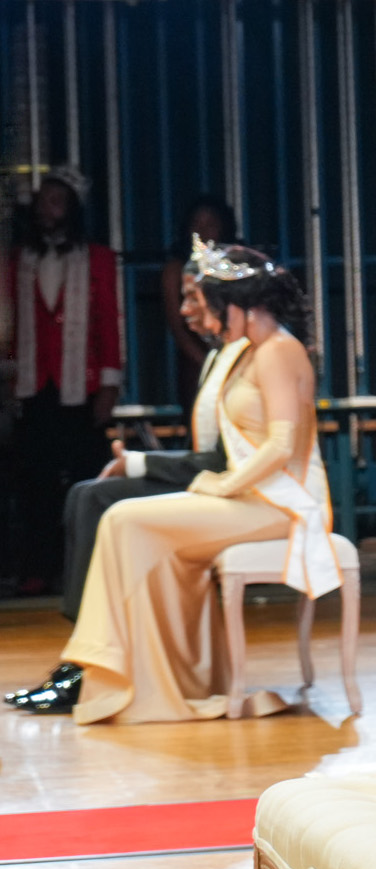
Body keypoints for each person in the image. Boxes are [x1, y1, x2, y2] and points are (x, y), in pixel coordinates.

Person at [13, 239, 340, 722]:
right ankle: (143, 672)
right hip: (253, 494)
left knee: (124, 518)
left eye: (210, 304)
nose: (204, 315)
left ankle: (107, 670)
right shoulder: (251, 351)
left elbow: (281, 447)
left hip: (283, 502)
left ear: (239, 304)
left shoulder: (277, 351)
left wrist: (224, 485)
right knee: (125, 522)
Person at [5, 256, 241, 709]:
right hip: (207, 476)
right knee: (83, 494)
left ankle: (84, 662)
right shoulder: (217, 355)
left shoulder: (245, 357)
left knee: (97, 499)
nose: (184, 309)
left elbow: (223, 460)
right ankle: (84, 651)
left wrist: (135, 463)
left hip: (226, 489)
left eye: (192, 298)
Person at [4, 167, 121, 596]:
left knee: (85, 480)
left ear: (72, 208)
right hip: (35, 383)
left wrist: (109, 385)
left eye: (56, 200)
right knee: (36, 481)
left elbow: (109, 321)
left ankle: (90, 567)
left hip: (83, 384)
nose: (46, 208)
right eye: (42, 201)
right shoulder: (19, 259)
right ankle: (39, 567)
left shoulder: (97, 258)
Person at [160, 194, 238, 409]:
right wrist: (207, 363)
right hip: (196, 364)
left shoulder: (237, 264)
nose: (203, 231)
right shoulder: (176, 269)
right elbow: (177, 328)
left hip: (239, 361)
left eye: (211, 224)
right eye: (196, 224)